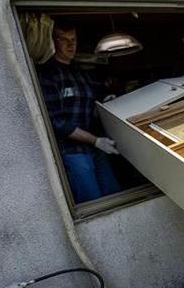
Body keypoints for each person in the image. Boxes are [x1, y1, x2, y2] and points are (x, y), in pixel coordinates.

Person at [37, 22, 121, 204]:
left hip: (96, 148)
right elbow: (59, 124)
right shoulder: (47, 74)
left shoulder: (82, 73)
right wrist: (96, 140)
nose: (70, 44)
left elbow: (95, 105)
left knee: (114, 194)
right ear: (53, 42)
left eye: (73, 39)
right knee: (93, 202)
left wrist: (107, 103)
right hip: (72, 152)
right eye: (64, 39)